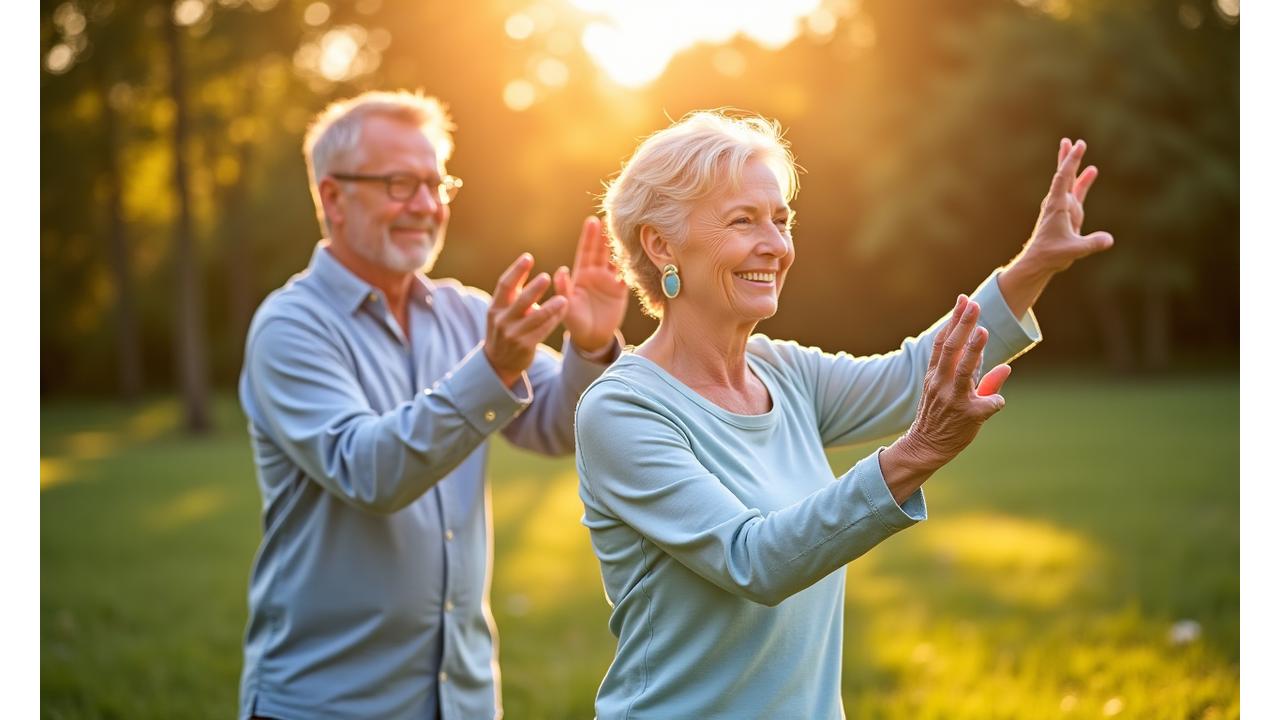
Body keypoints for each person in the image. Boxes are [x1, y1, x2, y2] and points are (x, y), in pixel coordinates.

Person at [574, 111, 1113, 718]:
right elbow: (752, 560)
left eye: (780, 220)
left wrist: (1034, 263)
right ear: (660, 243)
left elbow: (912, 377)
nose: (775, 245)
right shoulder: (622, 410)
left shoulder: (784, 371)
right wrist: (919, 453)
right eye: (743, 221)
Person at [237, 90, 628, 720]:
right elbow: (369, 471)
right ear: (333, 198)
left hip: (464, 701)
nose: (424, 205)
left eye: (435, 183)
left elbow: (561, 426)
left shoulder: (467, 312)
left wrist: (590, 344)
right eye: (399, 183)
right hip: (326, 703)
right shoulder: (291, 327)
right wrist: (494, 369)